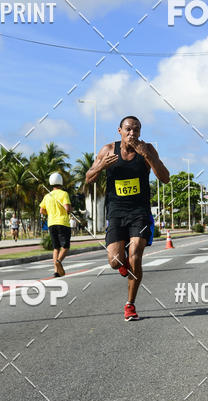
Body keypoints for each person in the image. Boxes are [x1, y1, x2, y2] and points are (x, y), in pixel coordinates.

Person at [85, 115, 169, 322]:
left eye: (137, 130)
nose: (133, 133)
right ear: (119, 131)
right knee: (115, 261)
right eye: (129, 129)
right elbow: (88, 178)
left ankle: (130, 304)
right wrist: (101, 166)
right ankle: (122, 265)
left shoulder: (147, 149)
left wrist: (148, 157)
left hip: (139, 212)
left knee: (135, 256)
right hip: (115, 212)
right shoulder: (107, 150)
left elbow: (165, 177)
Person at [39, 172, 72, 277]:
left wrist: (50, 212)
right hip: (62, 223)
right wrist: (69, 210)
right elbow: (67, 208)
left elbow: (41, 210)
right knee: (65, 246)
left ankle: (56, 271)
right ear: (61, 182)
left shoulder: (47, 195)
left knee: (56, 248)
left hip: (51, 223)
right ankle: (58, 262)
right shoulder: (64, 194)